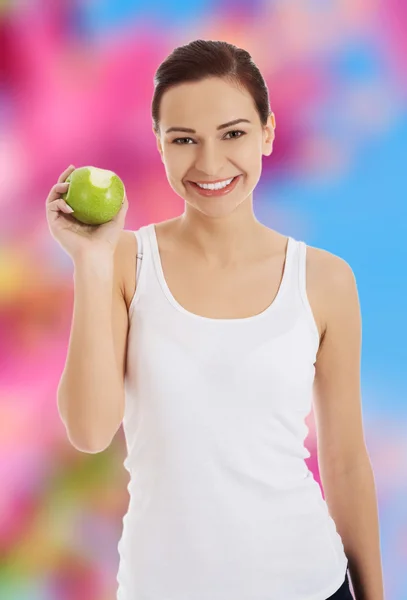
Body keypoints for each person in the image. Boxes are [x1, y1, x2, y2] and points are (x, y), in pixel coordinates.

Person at [46, 39, 381, 600]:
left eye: (233, 134)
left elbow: (345, 461)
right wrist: (90, 262)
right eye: (184, 140)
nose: (209, 163)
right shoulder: (125, 262)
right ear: (159, 145)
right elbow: (88, 430)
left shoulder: (324, 280)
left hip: (310, 583)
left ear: (268, 133)